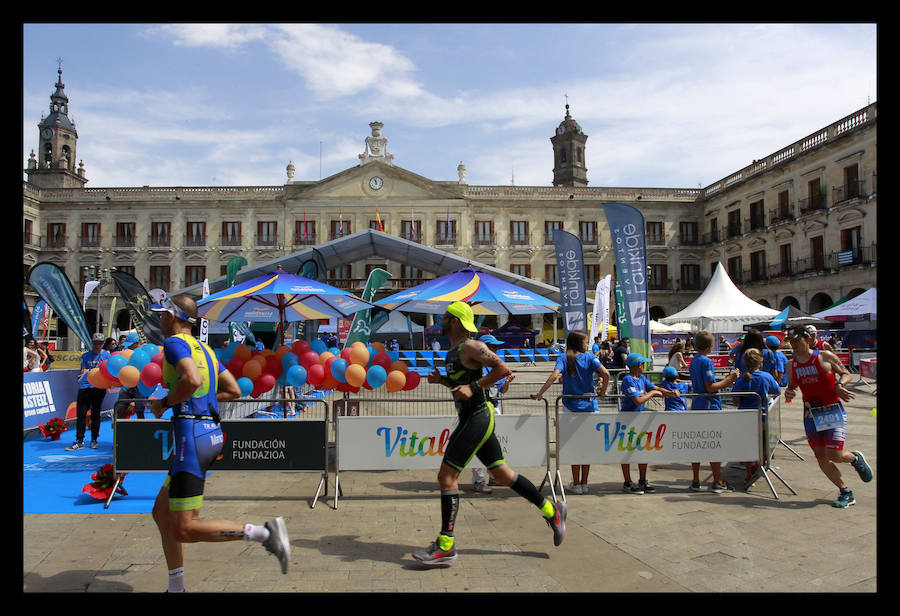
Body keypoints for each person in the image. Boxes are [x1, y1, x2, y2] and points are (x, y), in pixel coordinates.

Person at [148, 294, 290, 591]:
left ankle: (265, 534)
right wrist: (200, 402)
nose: (159, 319)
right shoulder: (206, 349)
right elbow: (234, 390)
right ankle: (176, 588)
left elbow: (191, 381)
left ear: (172, 317)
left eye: (161, 315)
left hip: (192, 438)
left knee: (185, 528)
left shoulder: (174, 343)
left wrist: (165, 403)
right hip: (208, 434)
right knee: (162, 513)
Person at [413, 301, 567, 566]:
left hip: (478, 417)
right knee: (502, 474)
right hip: (470, 417)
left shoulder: (472, 346)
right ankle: (552, 511)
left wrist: (474, 386)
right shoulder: (453, 351)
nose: (441, 319)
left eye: (446, 316)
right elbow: (461, 384)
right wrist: (443, 381)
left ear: (456, 322)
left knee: (446, 476)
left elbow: (502, 369)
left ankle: (446, 545)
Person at [784, 325, 872, 508]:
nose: (793, 344)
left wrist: (840, 385)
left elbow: (846, 373)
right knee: (820, 456)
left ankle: (855, 458)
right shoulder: (791, 365)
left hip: (832, 410)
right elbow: (792, 386)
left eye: (796, 340)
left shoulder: (824, 356)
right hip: (810, 414)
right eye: (790, 341)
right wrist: (789, 393)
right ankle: (845, 491)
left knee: (835, 454)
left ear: (807, 339)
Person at [531, 330, 610, 495]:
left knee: (575, 446)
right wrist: (603, 391)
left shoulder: (564, 358)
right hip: (590, 406)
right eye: (585, 342)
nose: (587, 344)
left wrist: (540, 394)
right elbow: (606, 373)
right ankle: (584, 483)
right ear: (579, 343)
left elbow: (554, 376)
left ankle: (576, 483)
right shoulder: (589, 358)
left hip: (570, 407)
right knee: (587, 447)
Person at [619, 353, 678, 493]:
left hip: (640, 419)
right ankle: (627, 482)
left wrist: (671, 393)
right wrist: (652, 394)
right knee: (626, 451)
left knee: (642, 450)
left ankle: (642, 480)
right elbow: (638, 400)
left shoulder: (642, 378)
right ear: (638, 365)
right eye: (642, 364)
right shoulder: (628, 379)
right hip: (627, 420)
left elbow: (656, 389)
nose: (644, 366)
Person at [687, 330, 739, 493]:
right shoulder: (706, 362)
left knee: (696, 443)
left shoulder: (694, 361)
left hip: (697, 405)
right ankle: (717, 480)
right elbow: (710, 387)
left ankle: (696, 480)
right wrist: (729, 380)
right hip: (709, 405)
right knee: (714, 443)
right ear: (710, 347)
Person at [470, 334, 516, 494]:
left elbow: (500, 391)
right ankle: (478, 479)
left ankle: (494, 476)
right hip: (480, 410)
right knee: (478, 445)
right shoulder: (476, 367)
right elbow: (475, 388)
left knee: (493, 446)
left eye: (497, 347)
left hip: (494, 409)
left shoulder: (493, 367)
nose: (497, 350)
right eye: (494, 347)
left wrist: (506, 384)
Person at [730, 348, 781, 486]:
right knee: (764, 443)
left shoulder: (741, 379)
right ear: (761, 362)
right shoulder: (766, 377)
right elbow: (777, 391)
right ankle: (760, 464)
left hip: (746, 417)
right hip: (763, 416)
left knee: (748, 445)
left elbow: (735, 399)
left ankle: (748, 473)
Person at [66, 333, 111, 451]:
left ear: (103, 344)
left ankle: (94, 439)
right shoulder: (85, 356)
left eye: (100, 342)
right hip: (85, 387)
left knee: (96, 414)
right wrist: (87, 371)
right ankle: (79, 440)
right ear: (92, 343)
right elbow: (82, 370)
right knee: (81, 415)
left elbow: (109, 370)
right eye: (96, 342)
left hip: (99, 388)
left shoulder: (107, 355)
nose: (98, 345)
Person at [113, 333, 149, 420]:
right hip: (127, 384)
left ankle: (140, 432)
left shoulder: (144, 353)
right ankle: (120, 430)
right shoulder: (126, 353)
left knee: (139, 411)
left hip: (140, 385)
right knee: (120, 408)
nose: (128, 347)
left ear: (137, 343)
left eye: (130, 345)